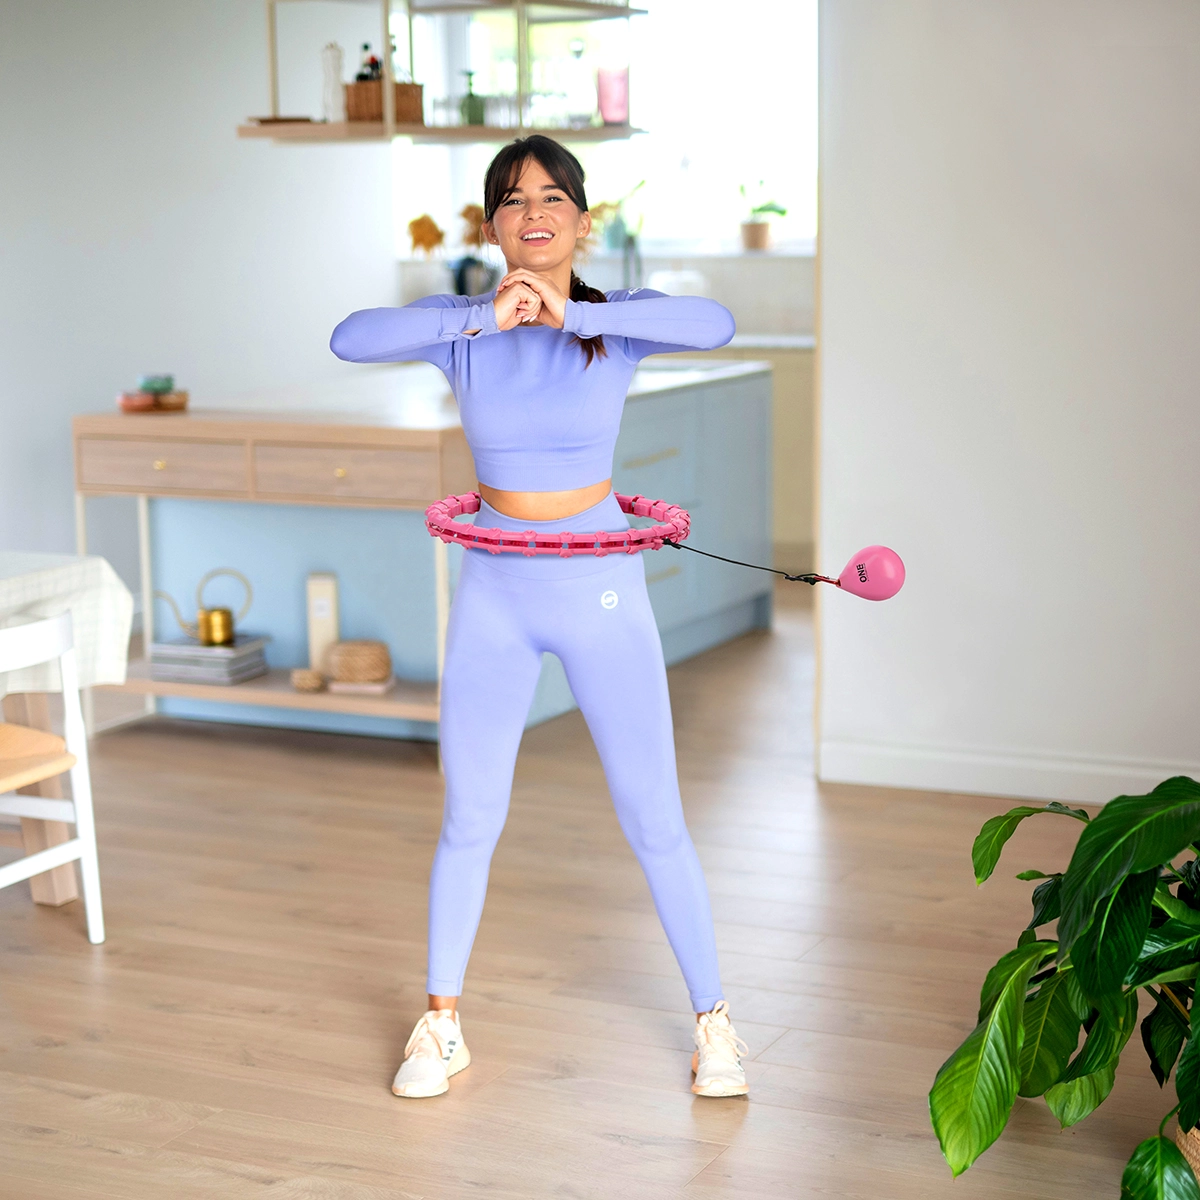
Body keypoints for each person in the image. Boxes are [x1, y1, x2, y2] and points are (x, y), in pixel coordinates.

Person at [330, 135, 749, 1100]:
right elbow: (350, 337)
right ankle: (441, 1025)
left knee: (654, 817)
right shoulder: (462, 330)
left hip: (600, 589)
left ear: (581, 221)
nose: (535, 213)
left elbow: (718, 323)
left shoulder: (619, 322)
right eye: (514, 200)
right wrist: (486, 315)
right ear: (493, 226)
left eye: (554, 197)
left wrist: (571, 312)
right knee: (469, 815)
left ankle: (715, 1023)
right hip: (495, 593)